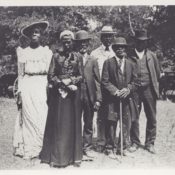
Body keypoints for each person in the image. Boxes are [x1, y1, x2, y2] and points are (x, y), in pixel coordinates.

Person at [40, 30, 83, 168]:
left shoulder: (78, 57)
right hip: (58, 95)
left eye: (69, 41)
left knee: (72, 124)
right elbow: (50, 75)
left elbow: (81, 76)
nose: (67, 43)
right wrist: (61, 83)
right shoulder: (56, 56)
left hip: (73, 95)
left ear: (73, 42)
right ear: (61, 42)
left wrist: (71, 80)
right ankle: (57, 158)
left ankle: (73, 158)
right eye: (64, 41)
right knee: (58, 124)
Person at [13, 21, 53, 159]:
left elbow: (50, 73)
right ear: (29, 36)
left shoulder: (46, 52)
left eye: (37, 31)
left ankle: (41, 146)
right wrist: (19, 91)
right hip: (28, 84)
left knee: (41, 114)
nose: (35, 34)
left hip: (42, 84)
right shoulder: (23, 52)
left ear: (41, 35)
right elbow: (20, 74)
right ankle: (29, 147)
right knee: (28, 115)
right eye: (32, 32)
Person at [101, 37, 138, 157]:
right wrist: (115, 91)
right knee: (111, 122)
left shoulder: (131, 64)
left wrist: (128, 89)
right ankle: (110, 147)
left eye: (123, 47)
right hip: (112, 99)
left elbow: (135, 81)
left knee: (126, 123)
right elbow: (105, 81)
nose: (120, 49)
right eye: (117, 47)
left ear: (125, 49)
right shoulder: (108, 63)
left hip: (126, 99)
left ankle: (123, 147)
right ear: (114, 49)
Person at [128, 29, 160, 154]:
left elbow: (157, 74)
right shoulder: (129, 55)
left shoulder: (152, 56)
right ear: (135, 41)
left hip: (149, 90)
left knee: (151, 117)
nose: (141, 44)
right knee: (134, 117)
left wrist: (151, 86)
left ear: (146, 42)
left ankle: (150, 143)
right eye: (139, 41)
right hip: (134, 91)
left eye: (144, 42)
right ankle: (135, 142)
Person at [74, 30, 102, 159]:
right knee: (74, 121)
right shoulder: (72, 57)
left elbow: (97, 81)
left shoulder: (93, 59)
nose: (83, 45)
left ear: (88, 44)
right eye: (80, 43)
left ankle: (87, 147)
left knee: (88, 122)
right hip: (75, 95)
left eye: (85, 42)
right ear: (77, 44)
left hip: (89, 95)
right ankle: (74, 147)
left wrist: (98, 99)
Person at [91, 26, 116, 152]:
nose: (107, 38)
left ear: (113, 37)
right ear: (101, 37)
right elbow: (92, 74)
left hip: (112, 90)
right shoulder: (94, 54)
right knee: (100, 116)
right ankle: (101, 142)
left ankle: (110, 142)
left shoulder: (116, 52)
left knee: (111, 116)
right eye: (105, 35)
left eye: (110, 36)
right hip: (99, 89)